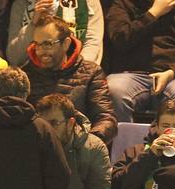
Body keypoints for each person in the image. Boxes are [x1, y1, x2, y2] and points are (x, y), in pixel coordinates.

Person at [20, 13, 116, 147]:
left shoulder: (91, 73)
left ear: (66, 44)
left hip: (77, 152)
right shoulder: (24, 75)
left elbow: (106, 120)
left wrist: (85, 144)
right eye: (37, 44)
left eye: (48, 44)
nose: (41, 51)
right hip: (34, 151)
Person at [102, 0, 175, 129]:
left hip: (173, 76)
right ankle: (124, 148)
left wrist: (171, 73)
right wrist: (153, 13)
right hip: (131, 74)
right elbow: (120, 40)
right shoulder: (122, 5)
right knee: (114, 89)